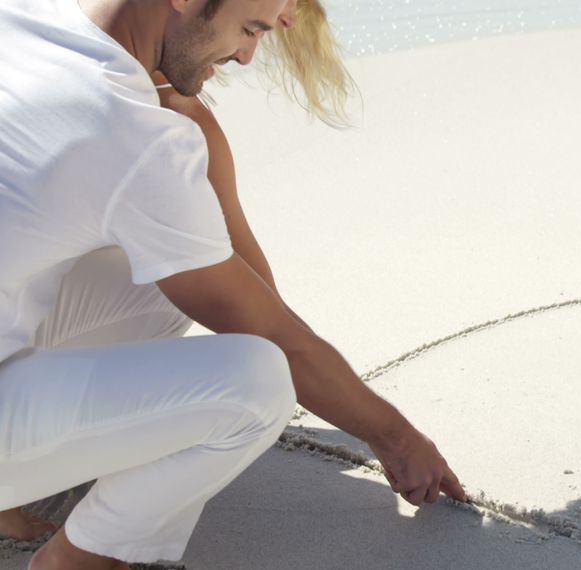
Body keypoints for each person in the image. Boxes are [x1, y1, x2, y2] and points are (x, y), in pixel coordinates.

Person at [0, 1, 466, 569]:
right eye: (249, 30)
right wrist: (396, 436)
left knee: (157, 276)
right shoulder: (133, 132)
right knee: (258, 380)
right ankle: (78, 560)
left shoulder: (25, 20)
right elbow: (273, 336)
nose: (247, 56)